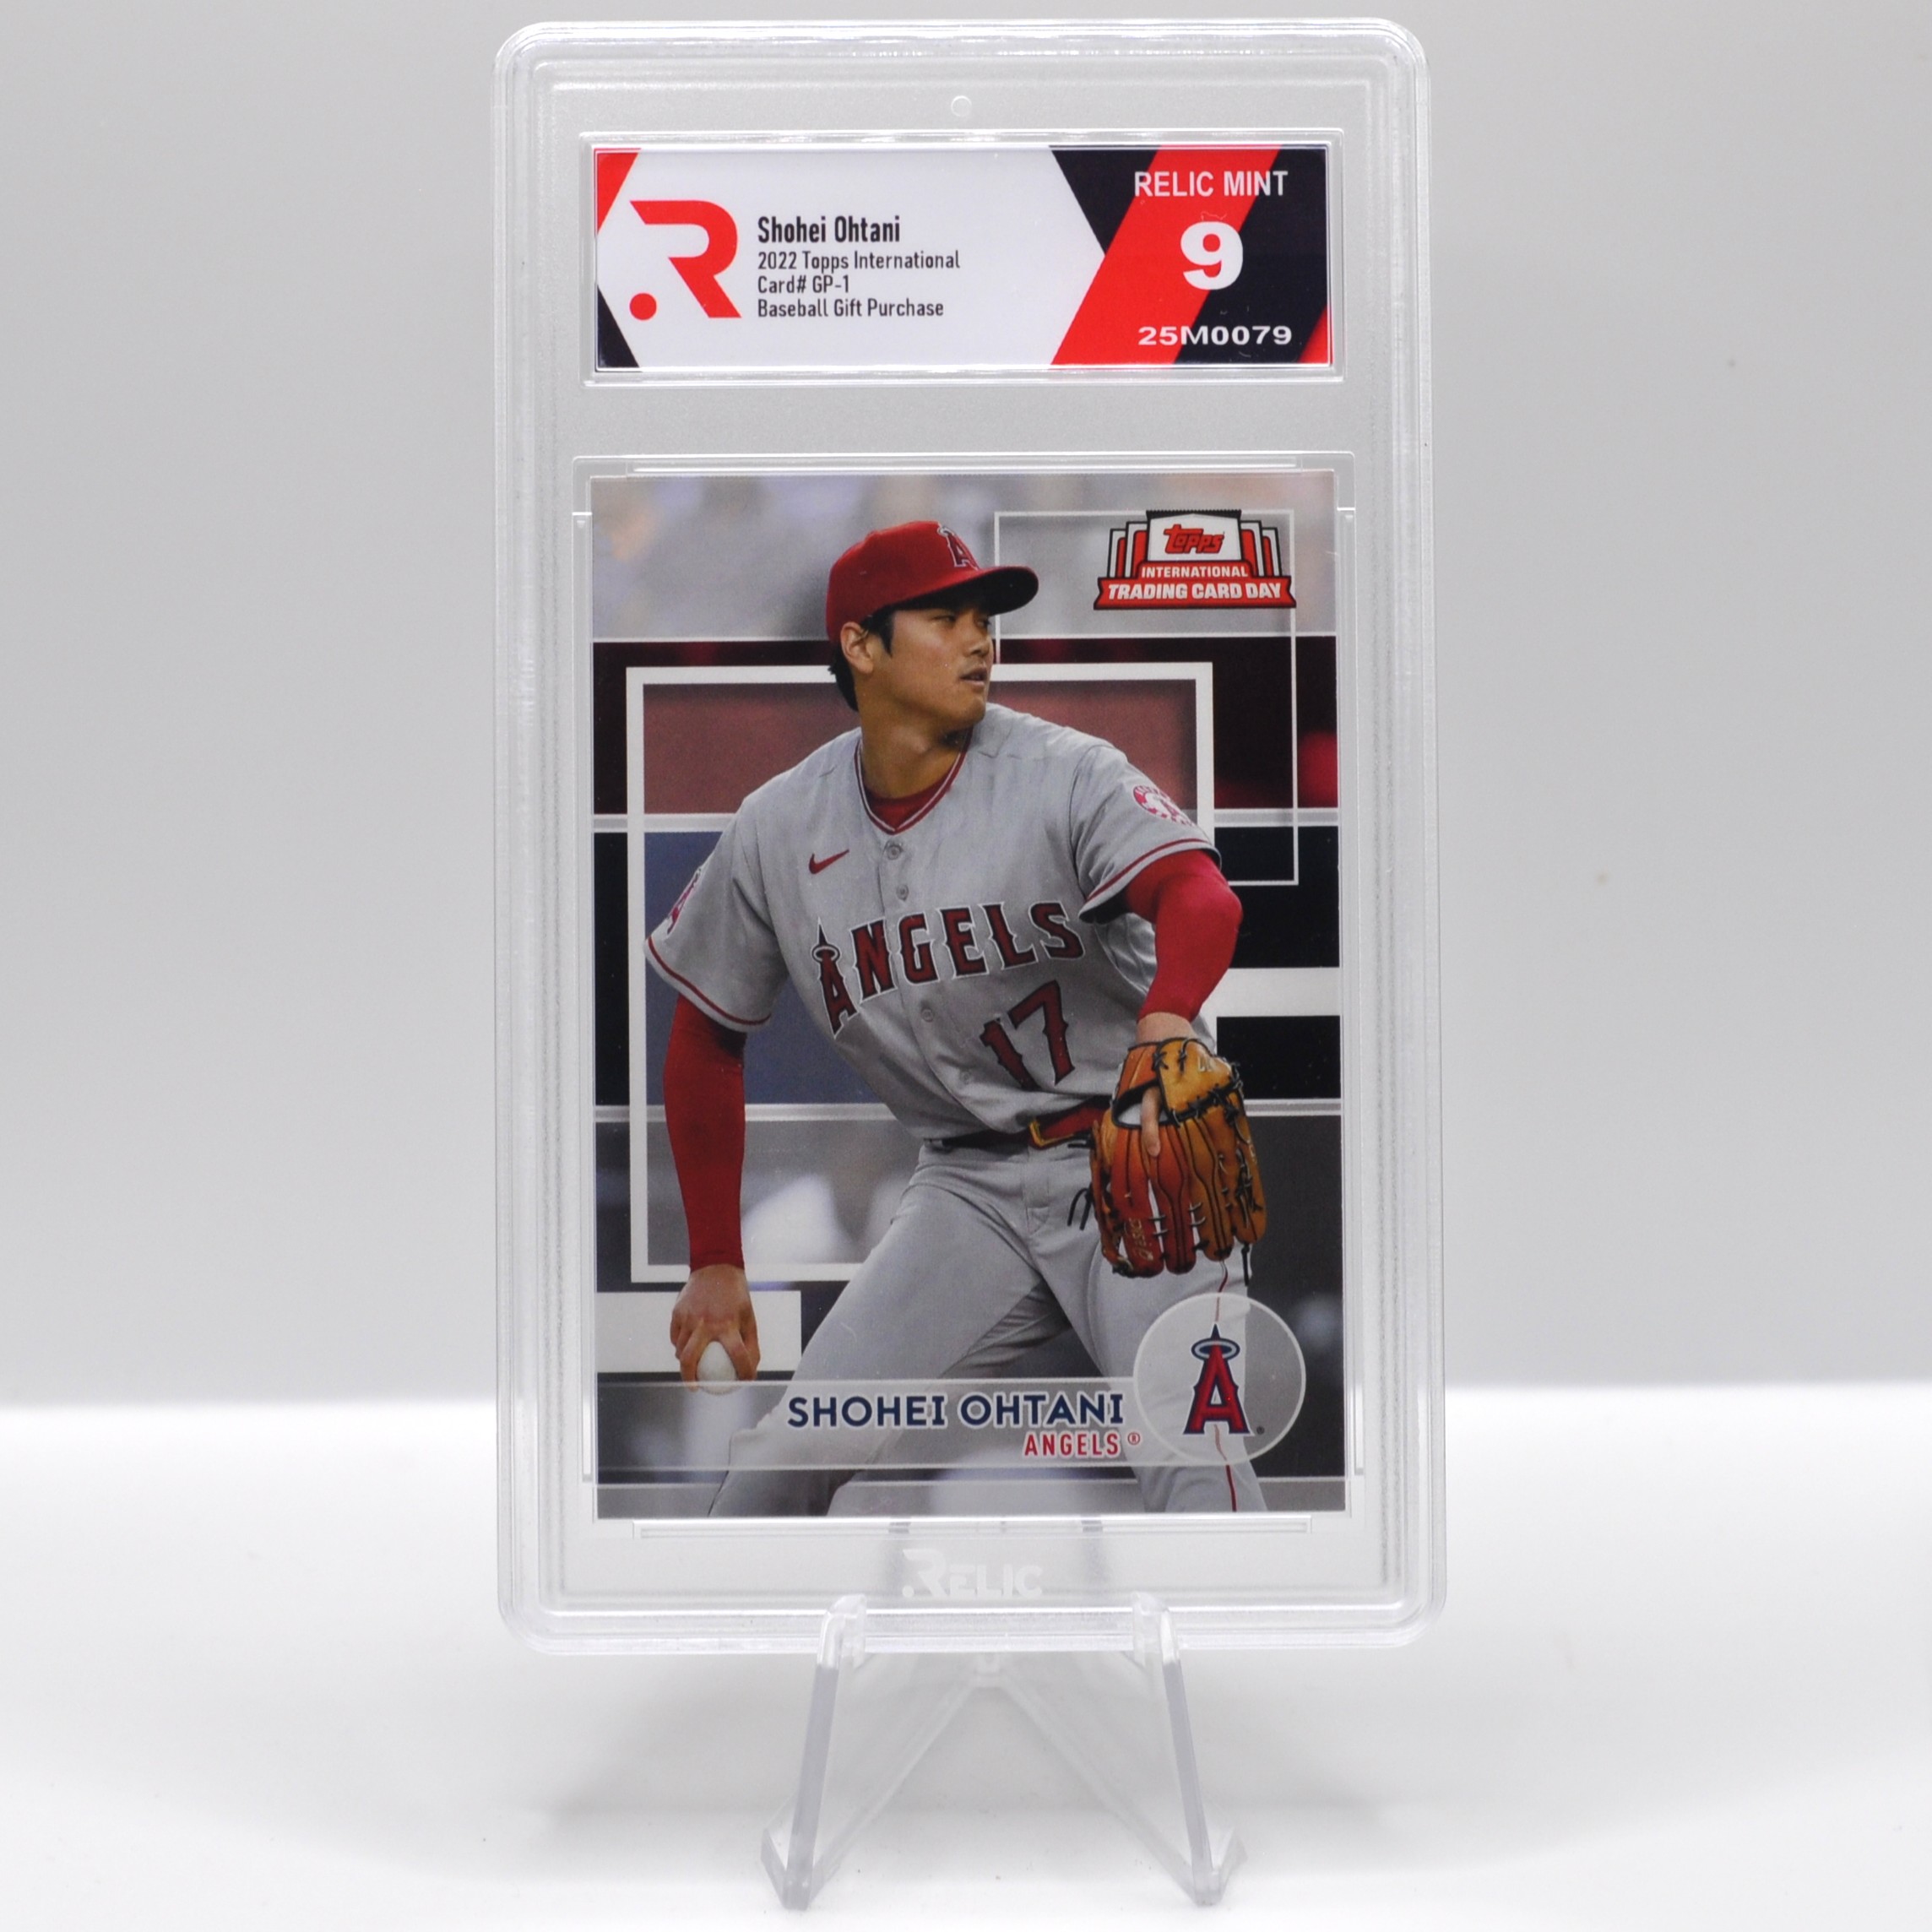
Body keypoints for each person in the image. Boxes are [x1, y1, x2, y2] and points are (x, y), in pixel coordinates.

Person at [648, 520, 1262, 1513]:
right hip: (965, 1190)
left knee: (1194, 1464)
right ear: (860, 645)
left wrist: (1164, 1021)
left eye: (985, 617)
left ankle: (1242, 1620)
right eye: (945, 617)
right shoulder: (778, 825)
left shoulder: (1064, 769)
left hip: (1132, 1158)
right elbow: (704, 1037)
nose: (980, 638)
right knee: (774, 1465)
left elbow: (1201, 896)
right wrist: (715, 1255)